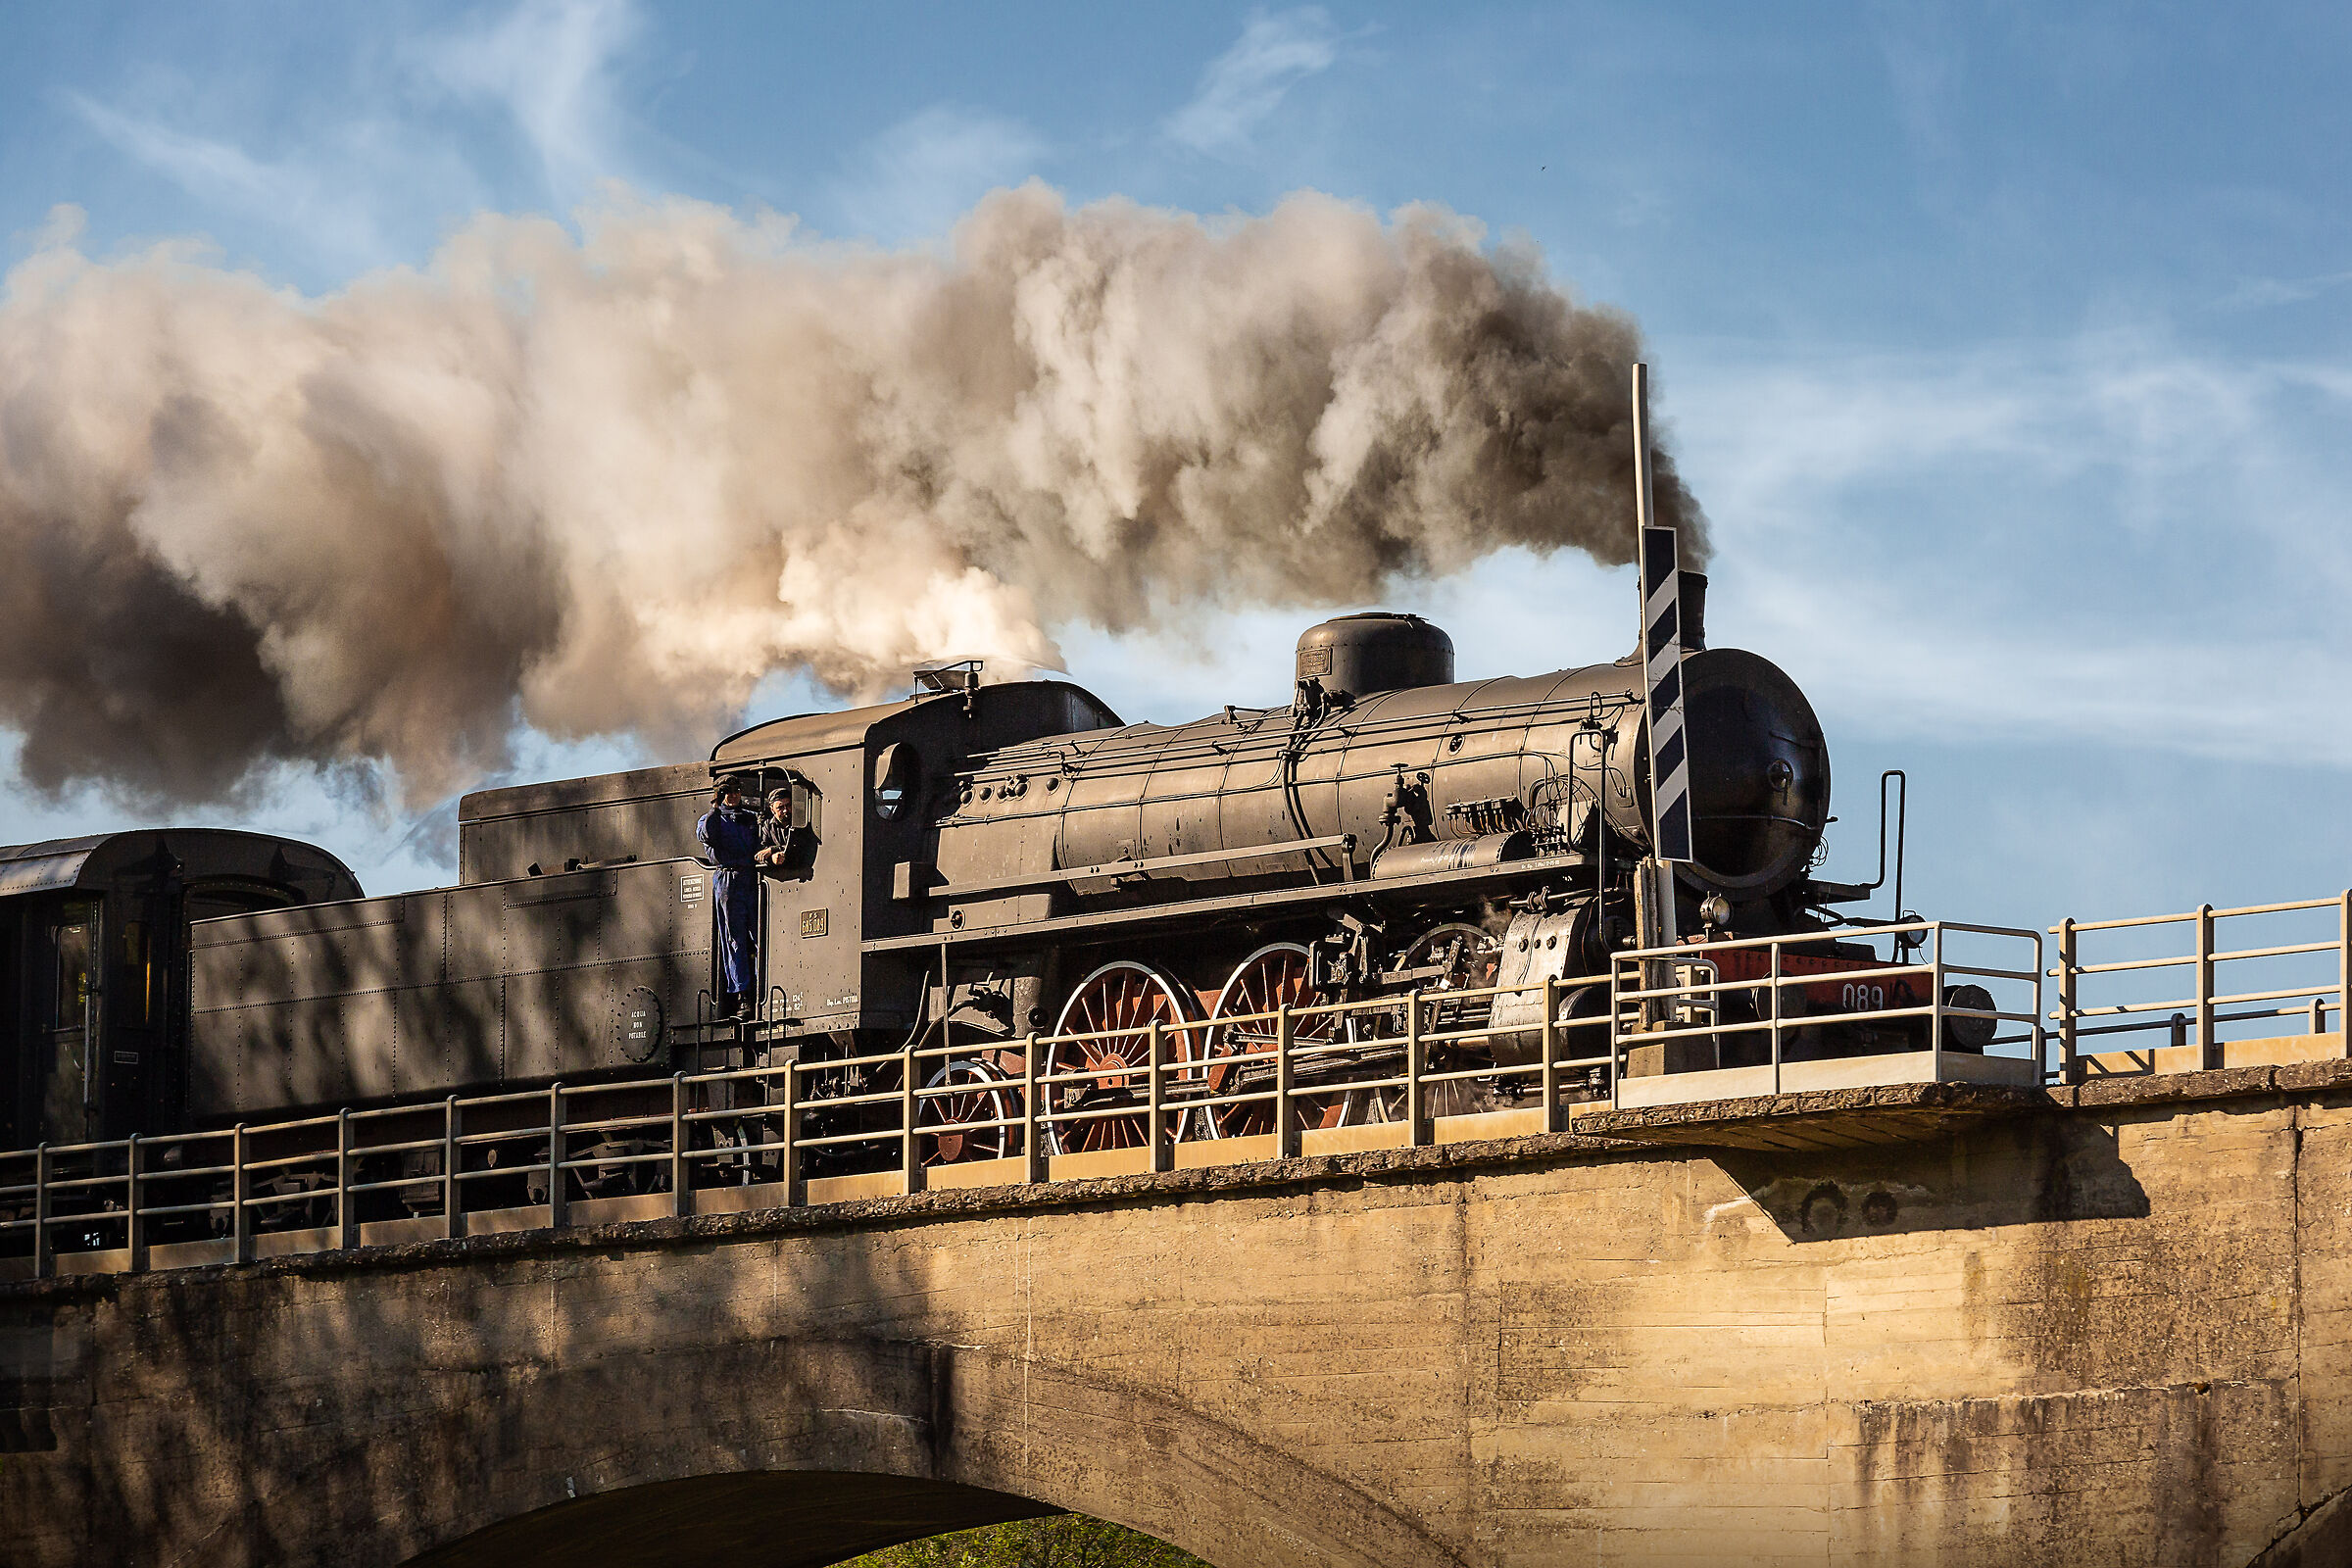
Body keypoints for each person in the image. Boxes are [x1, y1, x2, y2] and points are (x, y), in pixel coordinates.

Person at [696, 778, 762, 1020]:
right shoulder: (710, 819)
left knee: (760, 936)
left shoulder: (749, 817)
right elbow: (707, 836)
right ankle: (742, 995)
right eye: (726, 792)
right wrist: (715, 807)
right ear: (718, 794)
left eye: (736, 791)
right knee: (734, 940)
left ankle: (760, 987)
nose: (732, 795)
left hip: (750, 877)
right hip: (727, 879)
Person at [755, 787, 798, 875]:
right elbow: (762, 850)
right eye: (780, 807)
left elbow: (799, 847)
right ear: (772, 809)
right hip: (778, 875)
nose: (785, 810)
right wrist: (772, 858)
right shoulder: (768, 825)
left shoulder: (799, 823)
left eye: (788, 805)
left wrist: (772, 849)